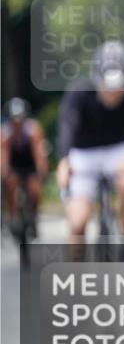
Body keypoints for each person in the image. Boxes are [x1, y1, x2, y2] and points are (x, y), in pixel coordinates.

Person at [56, 40, 124, 261]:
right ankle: (76, 281)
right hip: (83, 152)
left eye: (118, 89)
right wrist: (64, 160)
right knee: (77, 223)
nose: (113, 95)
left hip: (119, 148)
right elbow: (67, 126)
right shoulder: (79, 92)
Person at [1, 97, 49, 239]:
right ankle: (12, 215)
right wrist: (4, 174)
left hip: (30, 164)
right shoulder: (5, 133)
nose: (17, 123)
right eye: (14, 119)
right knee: (10, 184)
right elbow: (3, 157)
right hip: (14, 164)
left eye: (20, 119)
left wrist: (42, 172)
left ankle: (33, 218)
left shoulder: (33, 130)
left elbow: (39, 153)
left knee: (34, 191)